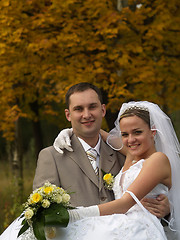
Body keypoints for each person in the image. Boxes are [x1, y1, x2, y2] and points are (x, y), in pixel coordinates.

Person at [0, 84, 169, 239]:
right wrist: (70, 131)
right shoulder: (51, 156)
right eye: (79, 109)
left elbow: (157, 191)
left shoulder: (128, 152)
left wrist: (167, 210)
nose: (87, 114)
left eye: (92, 107)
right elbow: (43, 213)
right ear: (68, 114)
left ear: (103, 110)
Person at [49, 100, 180, 240]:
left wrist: (74, 215)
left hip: (140, 229)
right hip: (121, 223)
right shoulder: (131, 154)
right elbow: (100, 133)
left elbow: (125, 203)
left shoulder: (158, 159)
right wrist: (70, 131)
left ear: (153, 132)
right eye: (124, 134)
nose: (131, 140)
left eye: (137, 132)